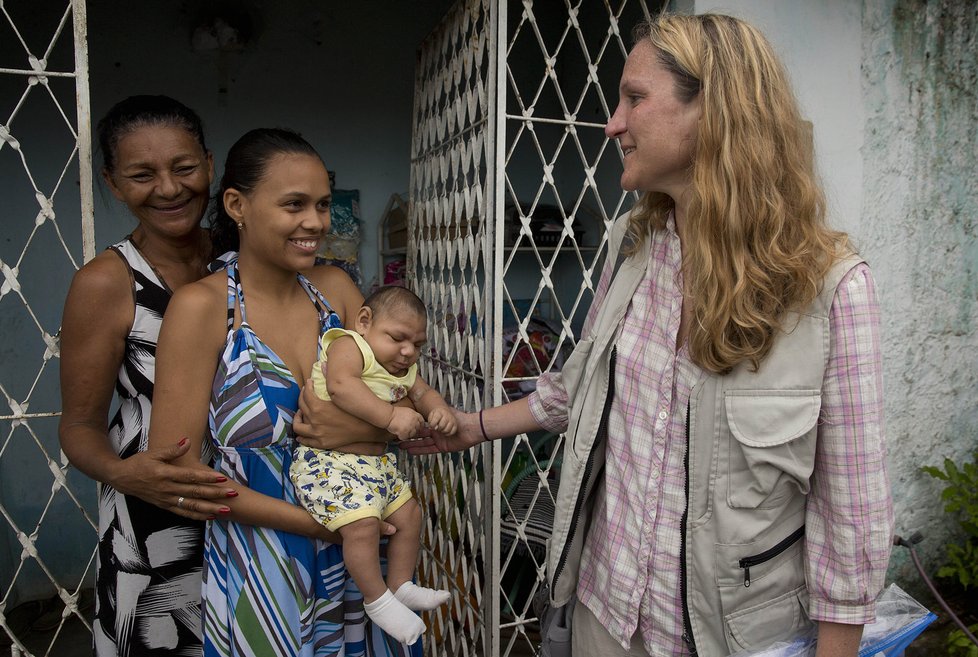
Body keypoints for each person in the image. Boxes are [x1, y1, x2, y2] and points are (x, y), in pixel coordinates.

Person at [402, 12, 893, 657]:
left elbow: (849, 509)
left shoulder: (830, 289)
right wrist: (474, 427)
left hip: (732, 638)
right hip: (604, 616)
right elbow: (582, 384)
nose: (613, 124)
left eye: (635, 98)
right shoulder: (630, 245)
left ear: (714, 110)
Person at [147, 127, 421, 656]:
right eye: (294, 204)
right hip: (265, 565)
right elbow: (179, 475)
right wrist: (327, 526)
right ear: (237, 205)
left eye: (321, 204)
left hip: (361, 560)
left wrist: (353, 515)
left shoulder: (336, 292)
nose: (315, 222)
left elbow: (398, 393)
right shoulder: (201, 309)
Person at [58, 95, 234, 656]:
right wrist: (124, 473)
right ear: (113, 183)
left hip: (257, 500)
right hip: (156, 513)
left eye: (183, 168)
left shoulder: (243, 257)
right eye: (141, 174)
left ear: (208, 163)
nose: (168, 188)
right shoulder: (106, 283)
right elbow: (79, 425)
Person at [290, 285, 454, 645]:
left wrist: (438, 408)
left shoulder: (401, 369)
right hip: (328, 463)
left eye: (418, 344)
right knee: (362, 526)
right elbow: (341, 386)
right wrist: (390, 416)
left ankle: (400, 584)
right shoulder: (350, 346)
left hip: (374, 466)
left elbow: (422, 393)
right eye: (398, 338)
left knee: (410, 514)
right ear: (365, 322)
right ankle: (377, 600)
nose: (409, 352)